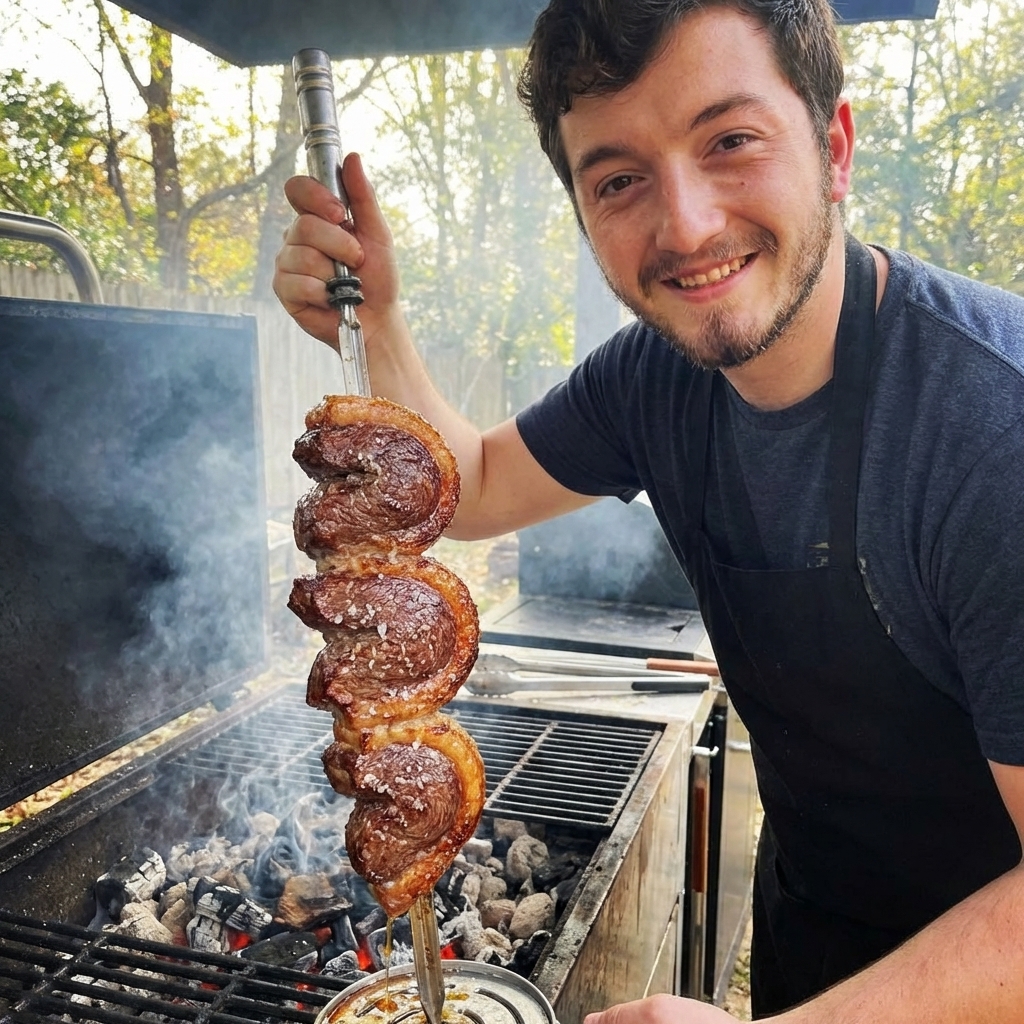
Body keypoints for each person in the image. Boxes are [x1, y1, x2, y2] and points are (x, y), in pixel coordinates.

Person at [273, 0, 1024, 1019]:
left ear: (834, 147)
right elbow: (482, 481)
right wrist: (383, 316)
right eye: (620, 179)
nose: (686, 225)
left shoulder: (989, 427)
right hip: (816, 934)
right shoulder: (655, 378)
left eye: (730, 141)